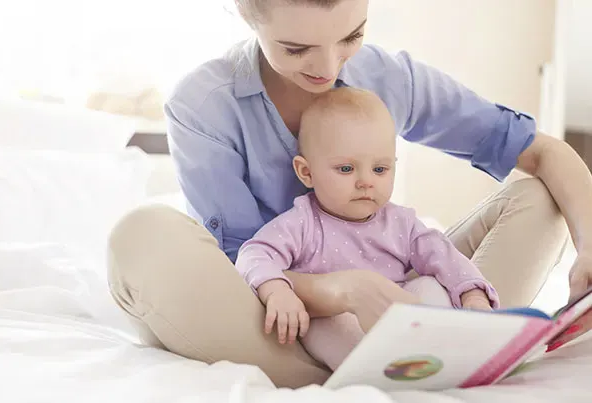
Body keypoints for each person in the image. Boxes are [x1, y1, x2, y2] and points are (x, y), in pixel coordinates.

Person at [107, 0, 592, 389]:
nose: (328, 66)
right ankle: (383, 370)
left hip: (396, 301)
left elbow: (542, 153)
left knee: (542, 196)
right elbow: (245, 265)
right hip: (277, 315)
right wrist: (345, 290)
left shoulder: (387, 78)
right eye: (296, 48)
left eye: (351, 36)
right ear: (246, 13)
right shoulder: (205, 105)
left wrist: (590, 242)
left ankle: (452, 341)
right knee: (142, 236)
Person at [234, 86, 499, 370]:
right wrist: (277, 290)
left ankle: (443, 353)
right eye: (346, 169)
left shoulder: (401, 223)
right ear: (306, 172)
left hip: (399, 317)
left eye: (380, 170)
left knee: (432, 285)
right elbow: (254, 254)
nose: (365, 182)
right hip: (339, 319)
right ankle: (371, 370)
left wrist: (474, 297)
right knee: (326, 326)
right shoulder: (302, 222)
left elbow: (446, 258)